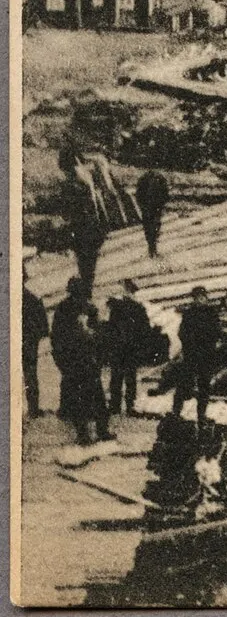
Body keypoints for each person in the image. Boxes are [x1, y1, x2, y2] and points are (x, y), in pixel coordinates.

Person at [52, 278, 110, 445]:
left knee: (83, 400)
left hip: (78, 362)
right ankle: (98, 432)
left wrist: (61, 361)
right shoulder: (84, 308)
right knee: (94, 398)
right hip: (82, 361)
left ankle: (87, 434)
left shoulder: (64, 309)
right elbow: (99, 336)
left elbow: (56, 338)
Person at [172, 286, 223, 426]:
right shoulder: (189, 314)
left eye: (202, 297)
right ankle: (176, 412)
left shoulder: (212, 313)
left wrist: (211, 341)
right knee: (184, 384)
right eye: (197, 297)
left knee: (204, 386)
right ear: (194, 299)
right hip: (192, 354)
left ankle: (201, 415)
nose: (199, 300)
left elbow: (218, 332)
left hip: (206, 354)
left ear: (206, 298)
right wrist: (190, 343)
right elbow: (181, 333)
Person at [56, 151, 106, 292]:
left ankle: (86, 290)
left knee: (84, 261)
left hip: (82, 226)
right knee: (89, 261)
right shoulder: (85, 175)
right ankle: (87, 289)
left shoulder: (71, 181)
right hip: (93, 223)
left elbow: (68, 208)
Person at [134, 167, 172, 259]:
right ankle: (152, 249)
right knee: (153, 228)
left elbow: (138, 194)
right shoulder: (158, 178)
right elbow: (166, 193)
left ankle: (152, 248)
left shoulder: (145, 178)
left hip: (151, 208)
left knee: (151, 228)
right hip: (153, 208)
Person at [22, 288, 49, 417]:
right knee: (30, 375)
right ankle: (33, 408)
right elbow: (43, 326)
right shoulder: (32, 298)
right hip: (29, 342)